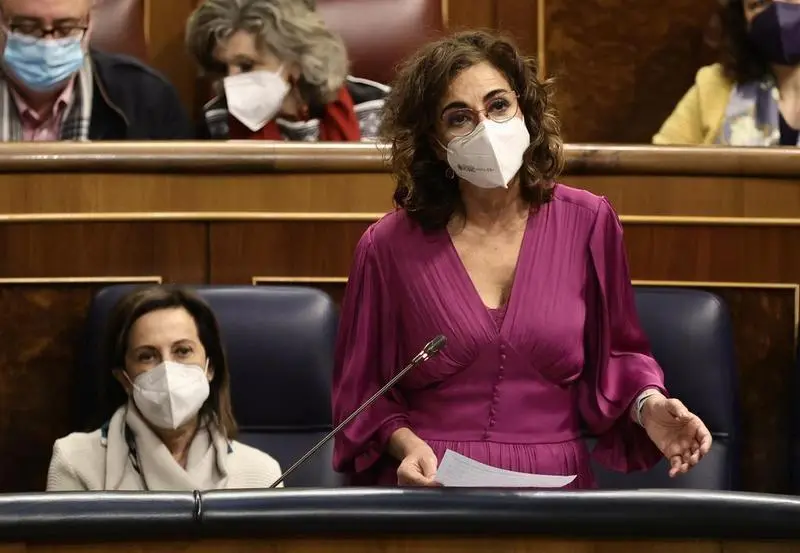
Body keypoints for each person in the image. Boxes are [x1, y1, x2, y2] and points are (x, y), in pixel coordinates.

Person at [332, 30, 713, 488]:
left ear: (524, 110)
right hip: (433, 486)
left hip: (556, 490)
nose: (485, 127)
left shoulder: (588, 222)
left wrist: (649, 407)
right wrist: (406, 445)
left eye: (498, 106)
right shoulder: (387, 246)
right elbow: (362, 394)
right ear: (435, 143)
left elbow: (617, 355)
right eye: (459, 118)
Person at [46, 286, 282, 491]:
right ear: (125, 379)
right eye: (147, 356)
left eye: (182, 351)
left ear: (210, 368)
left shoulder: (261, 474)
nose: (167, 370)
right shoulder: (75, 462)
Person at [186, 0, 388, 141]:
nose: (231, 79)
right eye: (223, 68)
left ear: (295, 59)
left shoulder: (379, 107)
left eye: (246, 66)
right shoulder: (216, 120)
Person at [0, 0, 192, 141]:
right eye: (27, 27)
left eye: (66, 28)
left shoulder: (148, 98)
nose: (48, 43)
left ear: (89, 24)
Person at [654, 0, 800, 145]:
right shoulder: (713, 85)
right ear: (743, 22)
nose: (777, 12)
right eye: (758, 4)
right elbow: (658, 162)